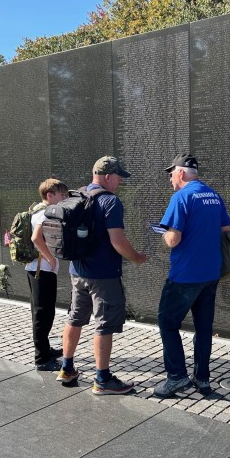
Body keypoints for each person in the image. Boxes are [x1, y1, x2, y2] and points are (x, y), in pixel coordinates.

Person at [57, 156, 147, 394]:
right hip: (104, 274)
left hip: (77, 271)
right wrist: (137, 257)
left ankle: (67, 367)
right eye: (118, 177)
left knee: (75, 317)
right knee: (104, 325)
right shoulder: (110, 202)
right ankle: (103, 379)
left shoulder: (78, 194)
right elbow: (117, 241)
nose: (120, 182)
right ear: (108, 177)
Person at [154, 153, 230, 398]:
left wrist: (164, 234)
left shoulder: (181, 197)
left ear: (180, 172)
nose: (170, 179)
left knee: (167, 323)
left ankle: (176, 377)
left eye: (171, 174)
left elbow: (173, 239)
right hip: (211, 273)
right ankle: (203, 379)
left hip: (185, 275)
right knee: (203, 327)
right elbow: (226, 230)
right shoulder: (214, 196)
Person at [28, 178, 69, 371]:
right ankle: (42, 359)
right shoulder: (44, 214)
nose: (64, 199)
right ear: (50, 195)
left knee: (43, 312)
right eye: (61, 195)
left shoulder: (36, 210)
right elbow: (35, 238)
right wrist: (50, 259)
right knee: (43, 314)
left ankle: (45, 349)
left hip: (38, 269)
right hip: (41, 270)